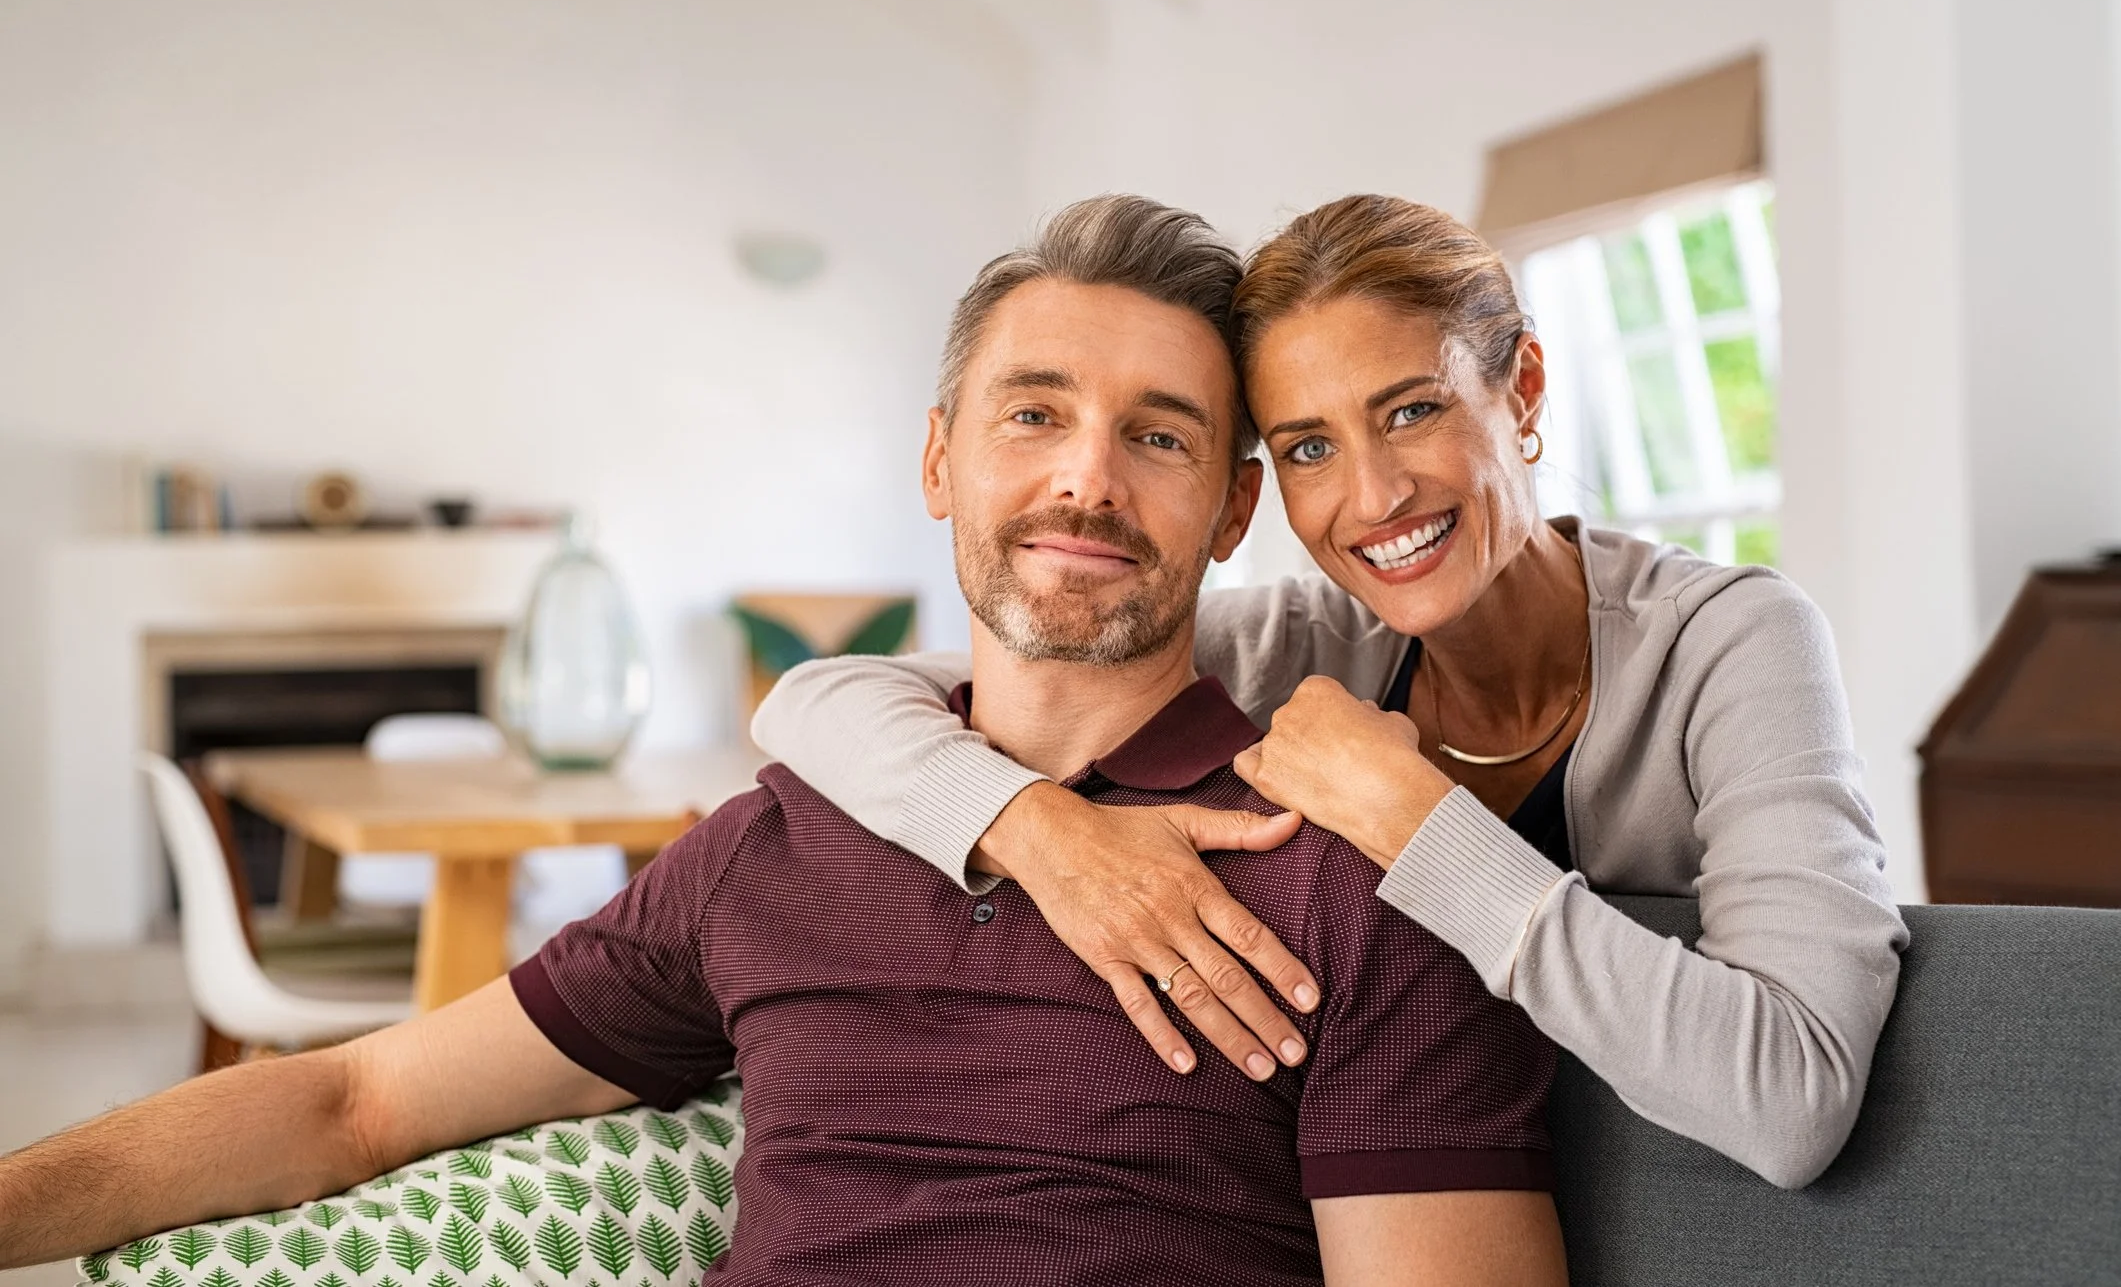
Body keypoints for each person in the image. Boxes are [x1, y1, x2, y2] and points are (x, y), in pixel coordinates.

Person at [0, 195, 1566, 1287]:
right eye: (1033, 414)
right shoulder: (772, 849)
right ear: (942, 462)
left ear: (1231, 506)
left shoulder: (1359, 879)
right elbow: (355, 1104)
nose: (1086, 481)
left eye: (1158, 435)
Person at [754, 192, 1912, 1190]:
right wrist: (1036, 827)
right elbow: (816, 702)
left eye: (1413, 410)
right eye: (1308, 447)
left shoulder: (1731, 643)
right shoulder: (1307, 643)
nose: (1372, 498)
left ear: (1522, 390)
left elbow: (1795, 1098)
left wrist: (1415, 823)